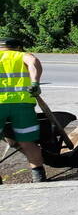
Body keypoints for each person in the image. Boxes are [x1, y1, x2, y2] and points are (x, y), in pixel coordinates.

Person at [0, 37, 47, 182]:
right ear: (19, 47)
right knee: (27, 142)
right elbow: (33, 63)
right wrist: (35, 83)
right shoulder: (22, 56)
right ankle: (38, 176)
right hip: (22, 105)